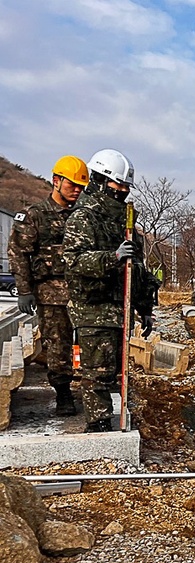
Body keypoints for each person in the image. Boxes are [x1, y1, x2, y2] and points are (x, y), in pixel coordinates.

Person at [63, 149, 159, 433]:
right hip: (93, 307)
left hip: (120, 308)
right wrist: (112, 257)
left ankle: (111, 418)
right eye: (118, 186)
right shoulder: (85, 218)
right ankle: (98, 425)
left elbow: (138, 272)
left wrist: (145, 310)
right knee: (97, 373)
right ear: (100, 181)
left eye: (126, 187)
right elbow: (75, 261)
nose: (123, 192)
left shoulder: (125, 223)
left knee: (115, 371)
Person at [7, 155, 90, 416]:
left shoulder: (85, 216)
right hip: (51, 294)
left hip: (83, 293)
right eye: (72, 185)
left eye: (80, 186)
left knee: (91, 343)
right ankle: (63, 394)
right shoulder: (35, 215)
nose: (76, 190)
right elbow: (19, 253)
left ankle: (93, 390)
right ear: (56, 181)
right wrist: (24, 290)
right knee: (58, 345)